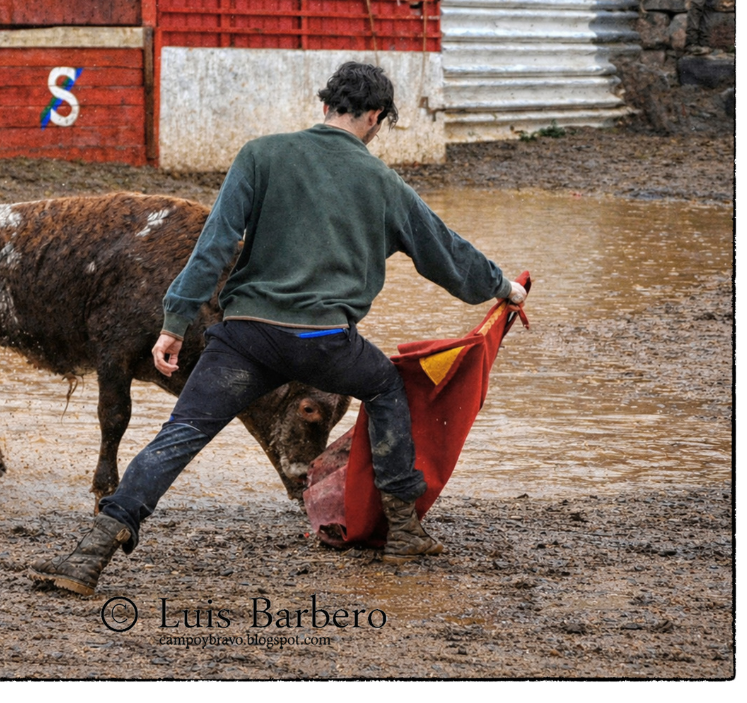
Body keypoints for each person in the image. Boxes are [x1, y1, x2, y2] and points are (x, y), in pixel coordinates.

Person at [31, 61, 526, 595]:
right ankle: (404, 532)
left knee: (181, 434)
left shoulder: (261, 154)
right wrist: (502, 287)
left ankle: (89, 556)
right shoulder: (384, 183)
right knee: (386, 385)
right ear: (376, 118)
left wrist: (175, 321)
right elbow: (445, 255)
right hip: (325, 344)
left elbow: (214, 246)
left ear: (325, 106)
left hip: (245, 339)